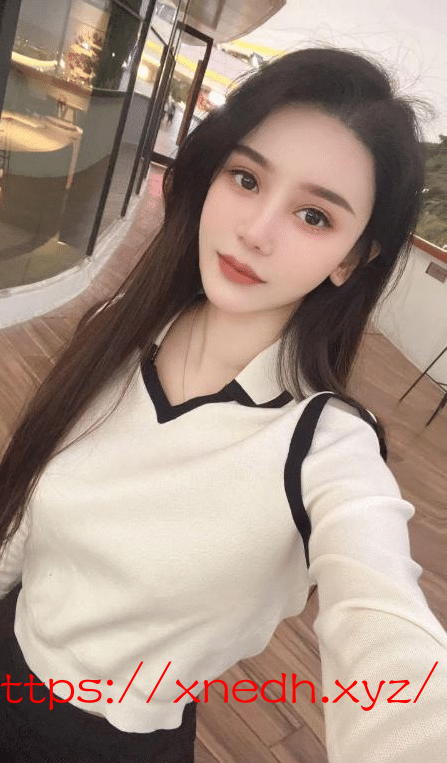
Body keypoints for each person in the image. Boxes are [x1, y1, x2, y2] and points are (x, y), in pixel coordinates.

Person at [0, 46, 446, 763]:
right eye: (246, 178)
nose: (255, 231)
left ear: (352, 258)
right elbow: (23, 516)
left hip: (109, 742)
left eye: (313, 215)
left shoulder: (323, 451)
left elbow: (386, 623)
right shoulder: (117, 331)